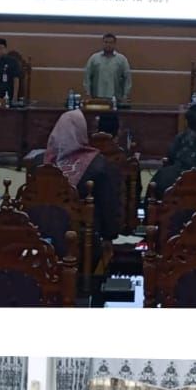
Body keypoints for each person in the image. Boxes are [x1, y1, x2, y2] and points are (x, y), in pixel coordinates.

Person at [42, 108, 121, 244]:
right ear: (81, 132)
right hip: (81, 248)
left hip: (40, 247)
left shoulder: (39, 163)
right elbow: (109, 216)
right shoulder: (98, 165)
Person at [83, 33, 131, 105]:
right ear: (103, 43)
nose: (108, 44)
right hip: (97, 98)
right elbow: (87, 77)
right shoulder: (94, 58)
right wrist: (88, 94)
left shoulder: (122, 59)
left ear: (115, 44)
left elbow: (127, 79)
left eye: (111, 43)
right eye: (106, 42)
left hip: (115, 99)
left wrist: (125, 96)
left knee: (113, 116)